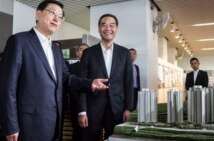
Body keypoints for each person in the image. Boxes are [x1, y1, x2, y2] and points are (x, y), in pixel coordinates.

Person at [0, 1, 108, 141]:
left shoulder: (56, 50)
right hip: (27, 125)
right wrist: (10, 125)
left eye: (60, 16)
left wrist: (89, 84)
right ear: (38, 14)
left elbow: (66, 78)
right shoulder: (19, 41)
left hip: (54, 124)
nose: (57, 18)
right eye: (52, 12)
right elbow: (7, 87)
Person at [78, 13, 134, 141]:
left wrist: (128, 108)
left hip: (117, 108)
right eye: (104, 25)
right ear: (99, 28)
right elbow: (82, 83)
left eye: (112, 25)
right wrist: (82, 111)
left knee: (115, 138)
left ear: (116, 29)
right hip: (92, 108)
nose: (108, 28)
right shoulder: (88, 53)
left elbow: (128, 82)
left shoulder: (124, 53)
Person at [68, 43, 89, 141]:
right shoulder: (71, 67)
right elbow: (70, 86)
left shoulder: (93, 67)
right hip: (75, 105)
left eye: (86, 49)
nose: (83, 51)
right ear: (77, 53)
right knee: (77, 133)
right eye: (81, 49)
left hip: (92, 106)